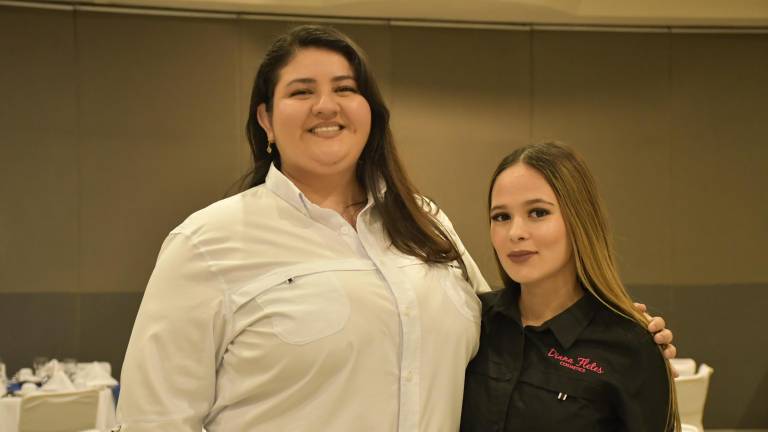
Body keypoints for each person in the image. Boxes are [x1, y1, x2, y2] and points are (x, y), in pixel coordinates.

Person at [116, 25, 675, 431]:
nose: (326, 105)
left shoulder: (424, 222)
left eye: (345, 88)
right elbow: (153, 420)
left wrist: (616, 337)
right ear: (266, 119)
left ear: (371, 111)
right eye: (301, 91)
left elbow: (506, 327)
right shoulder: (207, 244)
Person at [461, 142, 680, 431]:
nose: (515, 232)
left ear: (579, 219)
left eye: (538, 212)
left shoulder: (630, 346)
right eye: (501, 217)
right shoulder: (471, 322)